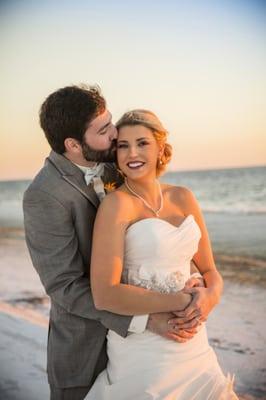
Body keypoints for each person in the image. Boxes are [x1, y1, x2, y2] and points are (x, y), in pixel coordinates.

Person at [23, 85, 207, 400]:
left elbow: (152, 232)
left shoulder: (116, 161)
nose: (115, 132)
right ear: (74, 144)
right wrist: (145, 320)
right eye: (104, 129)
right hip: (87, 349)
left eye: (111, 122)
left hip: (154, 351)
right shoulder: (44, 195)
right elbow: (64, 285)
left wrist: (194, 280)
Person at [85, 109, 238, 399]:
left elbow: (210, 271)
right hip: (145, 346)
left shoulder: (183, 196)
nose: (132, 153)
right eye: (123, 145)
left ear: (160, 148)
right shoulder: (116, 206)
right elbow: (105, 294)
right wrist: (182, 301)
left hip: (194, 343)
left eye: (142, 143)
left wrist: (209, 298)